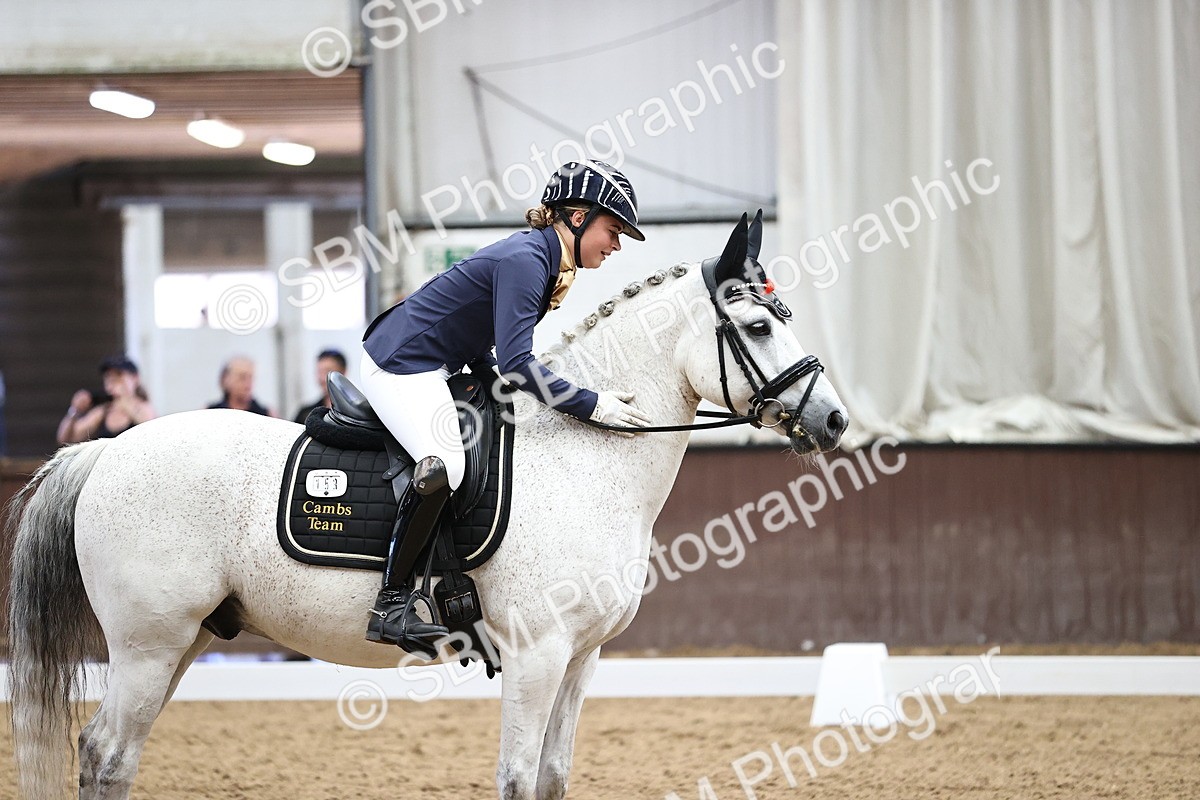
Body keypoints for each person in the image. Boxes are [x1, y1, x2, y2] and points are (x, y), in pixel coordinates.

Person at [358, 159, 652, 655]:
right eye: (613, 228)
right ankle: (391, 603)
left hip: (440, 361)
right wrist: (591, 406)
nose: (617, 243)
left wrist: (495, 378)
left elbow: (481, 335)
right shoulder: (527, 260)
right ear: (577, 217)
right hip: (402, 363)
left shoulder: (542, 257)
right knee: (445, 465)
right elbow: (518, 362)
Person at [57, 355, 157, 444]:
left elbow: (154, 433)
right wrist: (75, 410)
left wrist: (125, 400)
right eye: (108, 378)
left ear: (135, 378)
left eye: (119, 376)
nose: (113, 381)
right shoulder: (103, 411)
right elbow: (66, 439)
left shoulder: (144, 407)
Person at [292, 349, 348, 423]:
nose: (322, 378)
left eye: (327, 371)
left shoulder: (357, 413)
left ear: (343, 372)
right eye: (319, 371)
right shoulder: (306, 414)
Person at [207, 356, 275, 416]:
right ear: (226, 380)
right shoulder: (210, 414)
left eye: (250, 378)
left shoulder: (266, 415)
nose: (248, 384)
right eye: (242, 378)